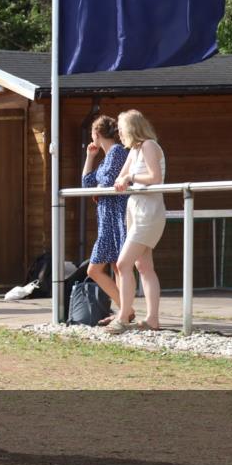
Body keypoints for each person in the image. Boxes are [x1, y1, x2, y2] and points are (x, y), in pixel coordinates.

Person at [108, 110, 167, 334]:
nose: (119, 134)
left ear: (132, 128)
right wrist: (123, 179)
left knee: (123, 264)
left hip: (148, 211)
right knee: (143, 266)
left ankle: (123, 316)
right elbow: (120, 177)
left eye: (121, 130)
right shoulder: (134, 150)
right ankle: (152, 319)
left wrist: (129, 178)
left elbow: (154, 178)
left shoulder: (150, 146)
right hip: (135, 208)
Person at [81, 116, 129, 325]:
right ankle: (124, 311)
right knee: (115, 265)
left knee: (97, 269)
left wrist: (98, 191)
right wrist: (90, 157)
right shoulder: (105, 158)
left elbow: (107, 184)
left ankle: (125, 311)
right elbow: (87, 183)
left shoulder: (117, 152)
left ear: (97, 134)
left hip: (116, 216)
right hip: (106, 217)